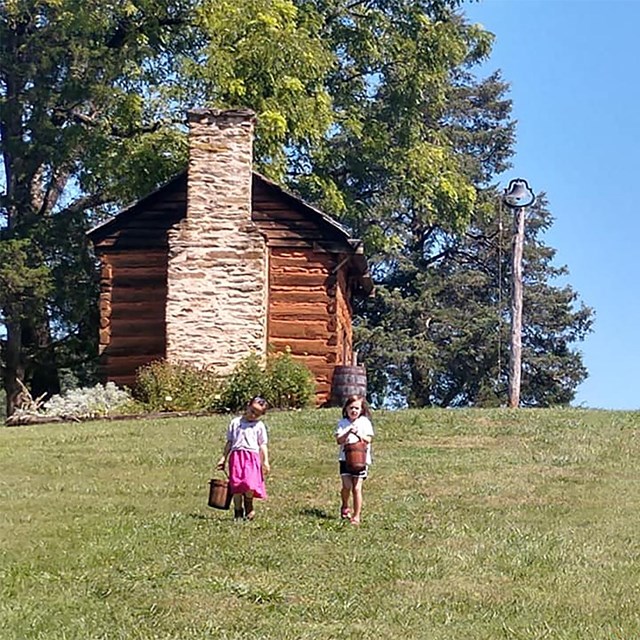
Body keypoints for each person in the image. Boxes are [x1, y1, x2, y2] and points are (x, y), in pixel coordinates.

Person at [216, 396, 270, 520]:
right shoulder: (235, 423)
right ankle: (238, 511)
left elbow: (262, 444)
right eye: (252, 411)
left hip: (252, 457)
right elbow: (229, 442)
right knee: (237, 485)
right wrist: (223, 457)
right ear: (247, 406)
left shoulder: (259, 426)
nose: (253, 415)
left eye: (257, 414)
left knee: (250, 483)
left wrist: (265, 461)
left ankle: (249, 505)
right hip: (236, 457)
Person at [334, 394, 374, 526]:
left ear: (362, 409)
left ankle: (356, 516)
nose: (354, 411)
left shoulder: (364, 422)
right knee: (346, 486)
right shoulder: (343, 423)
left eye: (357, 408)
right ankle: (345, 505)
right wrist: (347, 432)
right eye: (351, 408)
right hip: (345, 459)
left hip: (360, 460)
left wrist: (358, 433)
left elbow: (368, 439)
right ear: (346, 409)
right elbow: (339, 440)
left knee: (357, 488)